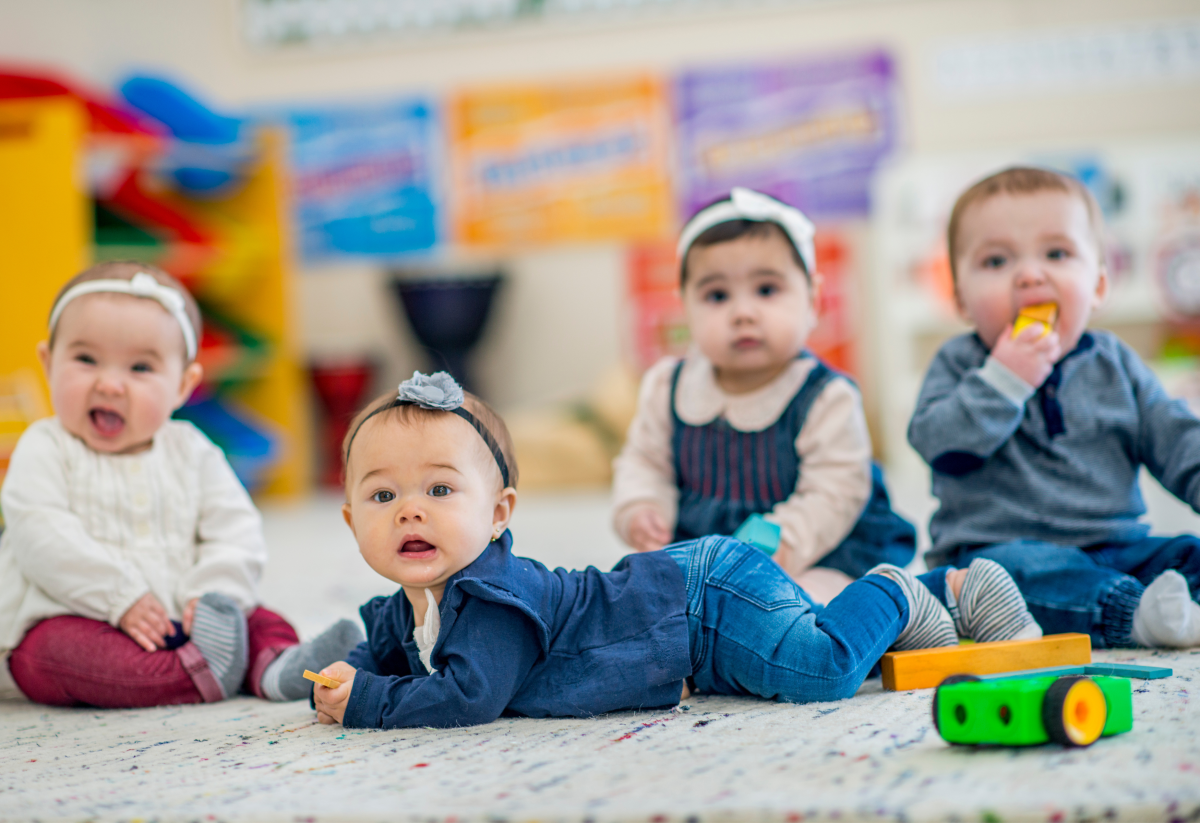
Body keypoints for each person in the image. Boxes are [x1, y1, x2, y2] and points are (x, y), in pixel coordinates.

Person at [311, 371, 1039, 730]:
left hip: (700, 602)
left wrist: (368, 701)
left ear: (499, 515)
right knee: (798, 654)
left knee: (819, 669)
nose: (410, 508)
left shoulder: (494, 597)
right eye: (383, 497)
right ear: (349, 519)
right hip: (686, 628)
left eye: (440, 491)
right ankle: (907, 615)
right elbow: (388, 645)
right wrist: (356, 668)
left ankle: (917, 589)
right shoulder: (413, 607)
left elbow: (471, 696)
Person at [0, 261, 362, 707]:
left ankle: (279, 663)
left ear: (183, 386)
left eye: (140, 367)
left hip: (186, 616)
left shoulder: (192, 451)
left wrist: (213, 596)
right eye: (85, 359)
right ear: (48, 362)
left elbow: (235, 529)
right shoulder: (45, 446)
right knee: (57, 655)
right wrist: (120, 597)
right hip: (73, 614)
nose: (109, 383)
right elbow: (42, 537)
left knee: (257, 617)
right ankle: (196, 674)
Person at [908, 166, 1200, 649]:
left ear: (1099, 286)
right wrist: (1004, 379)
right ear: (960, 298)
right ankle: (1135, 616)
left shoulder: (1114, 363)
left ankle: (1164, 606)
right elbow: (939, 444)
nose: (1029, 274)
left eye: (1057, 253)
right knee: (1011, 576)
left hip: (1119, 549)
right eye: (997, 261)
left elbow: (1175, 437)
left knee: (1187, 553)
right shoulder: (960, 364)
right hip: (1003, 554)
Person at [611, 188, 916, 602]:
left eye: (767, 290)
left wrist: (782, 542)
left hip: (814, 549)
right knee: (636, 596)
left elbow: (836, 492)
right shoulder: (668, 387)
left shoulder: (826, 397)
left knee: (815, 603)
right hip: (704, 552)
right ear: (685, 308)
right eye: (717, 296)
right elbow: (645, 462)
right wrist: (642, 508)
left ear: (812, 299)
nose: (743, 313)